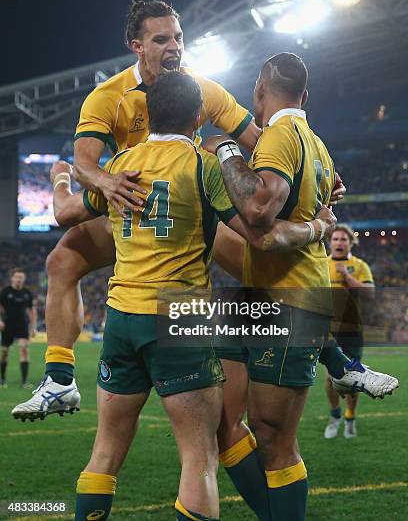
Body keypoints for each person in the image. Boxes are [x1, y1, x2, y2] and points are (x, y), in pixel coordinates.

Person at [14, 0, 345, 420]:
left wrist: (316, 172)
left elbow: (262, 140)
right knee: (61, 260)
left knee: (265, 251)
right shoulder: (108, 96)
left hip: (189, 210)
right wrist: (105, 181)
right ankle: (59, 379)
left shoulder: (202, 88)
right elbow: (84, 162)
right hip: (133, 208)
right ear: (137, 45)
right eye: (161, 39)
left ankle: (335, 354)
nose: (174, 46)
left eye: (178, 37)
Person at [43, 72, 335, 521]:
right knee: (199, 457)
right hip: (179, 319)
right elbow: (258, 233)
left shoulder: (121, 165)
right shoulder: (203, 165)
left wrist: (62, 177)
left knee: (104, 454)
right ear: (199, 117)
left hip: (121, 318)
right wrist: (316, 221)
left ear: (149, 115)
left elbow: (64, 213)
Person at [205, 53, 398, 521]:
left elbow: (257, 210)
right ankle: (343, 364)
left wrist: (227, 149)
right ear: (305, 97)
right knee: (222, 426)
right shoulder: (315, 143)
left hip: (291, 303)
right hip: (258, 298)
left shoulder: (280, 136)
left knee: (273, 439)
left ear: (259, 91)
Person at [324, 224, 375, 439]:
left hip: (352, 329)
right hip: (328, 330)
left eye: (343, 240)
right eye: (335, 239)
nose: (339, 243)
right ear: (330, 242)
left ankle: (350, 417)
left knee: (354, 377)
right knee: (330, 377)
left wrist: (347, 277)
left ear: (350, 243)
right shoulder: (321, 264)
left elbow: (370, 294)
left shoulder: (360, 266)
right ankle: (335, 416)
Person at [0, 269, 37, 388]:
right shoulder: (5, 292)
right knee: (5, 352)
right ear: (12, 278)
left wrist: (33, 326)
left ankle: (24, 382)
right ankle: (2, 380)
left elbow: (32, 310)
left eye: (21, 277)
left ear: (24, 279)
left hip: (23, 326)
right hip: (7, 325)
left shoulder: (27, 293)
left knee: (24, 349)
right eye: (16, 277)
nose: (18, 279)